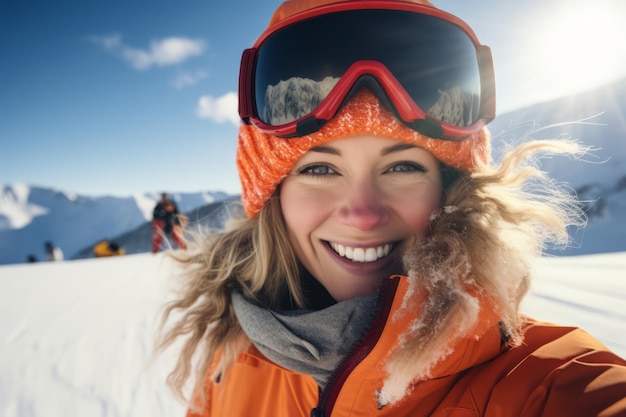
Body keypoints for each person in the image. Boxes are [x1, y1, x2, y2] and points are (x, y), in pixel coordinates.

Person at [157, 1, 626, 416]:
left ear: (451, 192)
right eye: (320, 170)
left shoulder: (543, 386)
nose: (362, 213)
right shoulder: (232, 357)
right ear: (271, 200)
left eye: (401, 166)